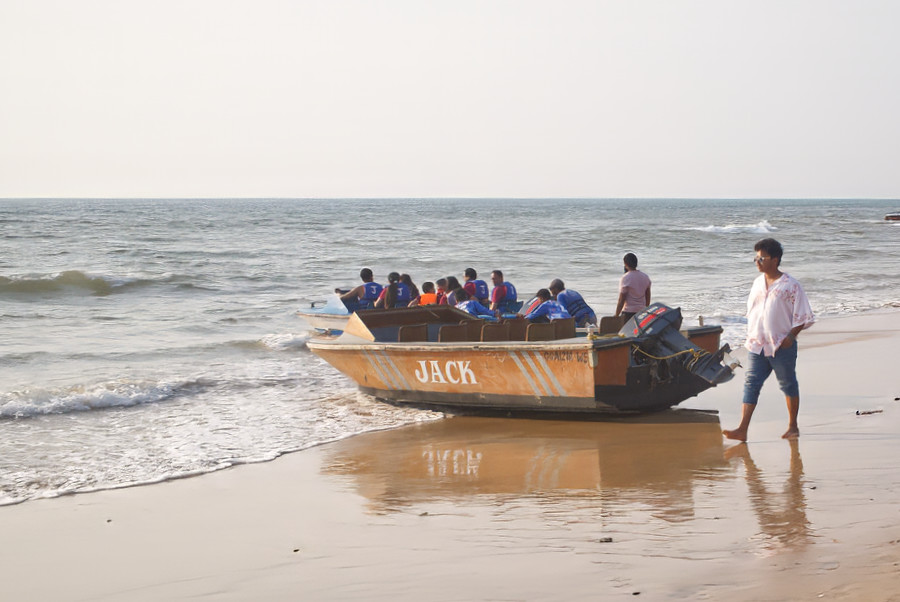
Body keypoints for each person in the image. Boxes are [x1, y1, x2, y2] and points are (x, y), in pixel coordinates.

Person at [723, 238, 815, 442]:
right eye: (756, 258)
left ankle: (793, 426)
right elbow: (753, 311)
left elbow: (804, 315)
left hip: (781, 345)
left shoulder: (791, 285)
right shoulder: (757, 283)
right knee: (751, 384)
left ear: (775, 260)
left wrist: (791, 336)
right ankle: (742, 429)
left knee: (787, 384)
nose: (757, 262)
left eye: (761, 258)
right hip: (757, 344)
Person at [615, 253, 652, 321]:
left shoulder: (625, 278)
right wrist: (645, 310)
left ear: (625, 264)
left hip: (628, 313)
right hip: (641, 312)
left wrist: (616, 315)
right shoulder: (645, 277)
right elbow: (648, 298)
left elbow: (621, 300)